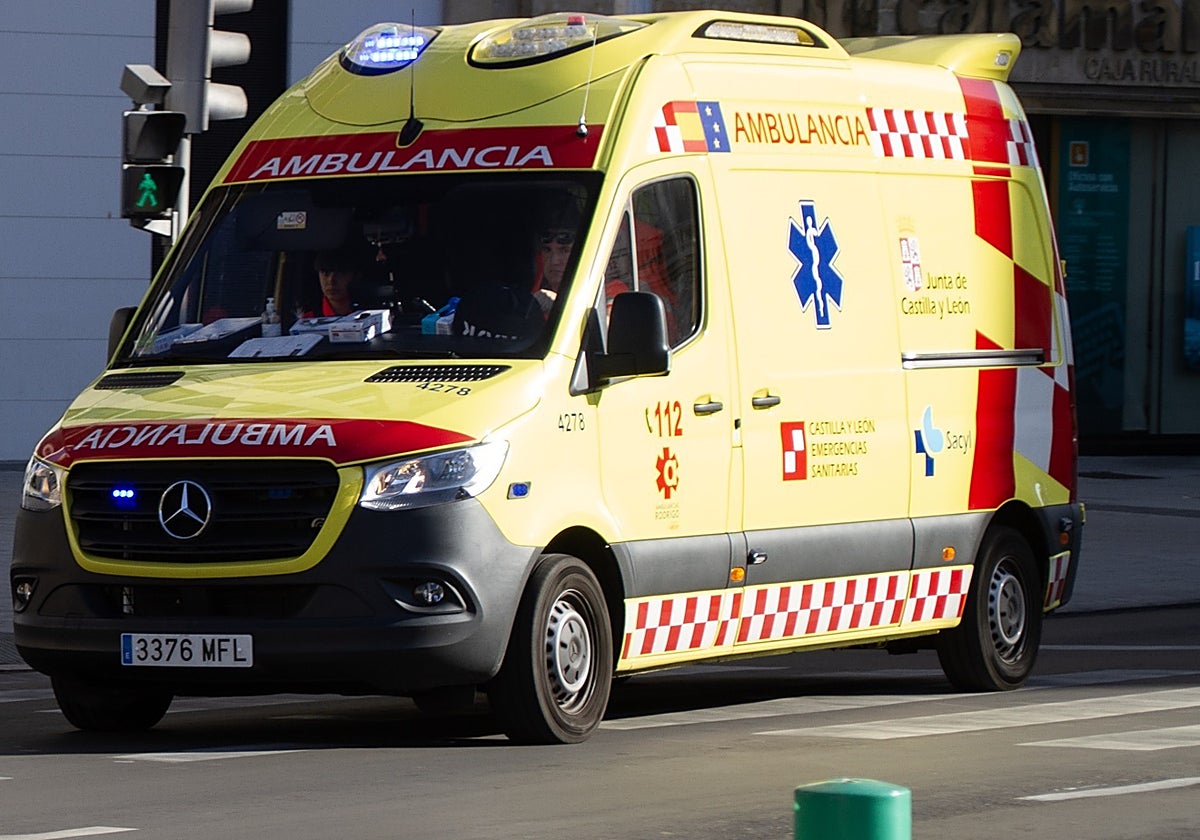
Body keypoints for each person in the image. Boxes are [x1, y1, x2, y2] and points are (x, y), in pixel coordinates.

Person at [312, 249, 362, 317]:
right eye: (325, 273)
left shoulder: (371, 315)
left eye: (340, 274)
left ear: (355, 276)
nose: (331, 281)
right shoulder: (306, 321)